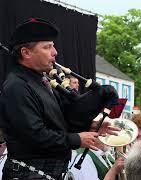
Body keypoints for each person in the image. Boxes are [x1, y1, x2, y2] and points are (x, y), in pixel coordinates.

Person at [0, 18, 119, 179]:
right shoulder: (16, 86)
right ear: (26, 53)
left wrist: (89, 126)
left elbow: (56, 123)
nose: (55, 52)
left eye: (53, 46)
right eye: (47, 47)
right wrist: (76, 139)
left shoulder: (42, 81)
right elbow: (34, 135)